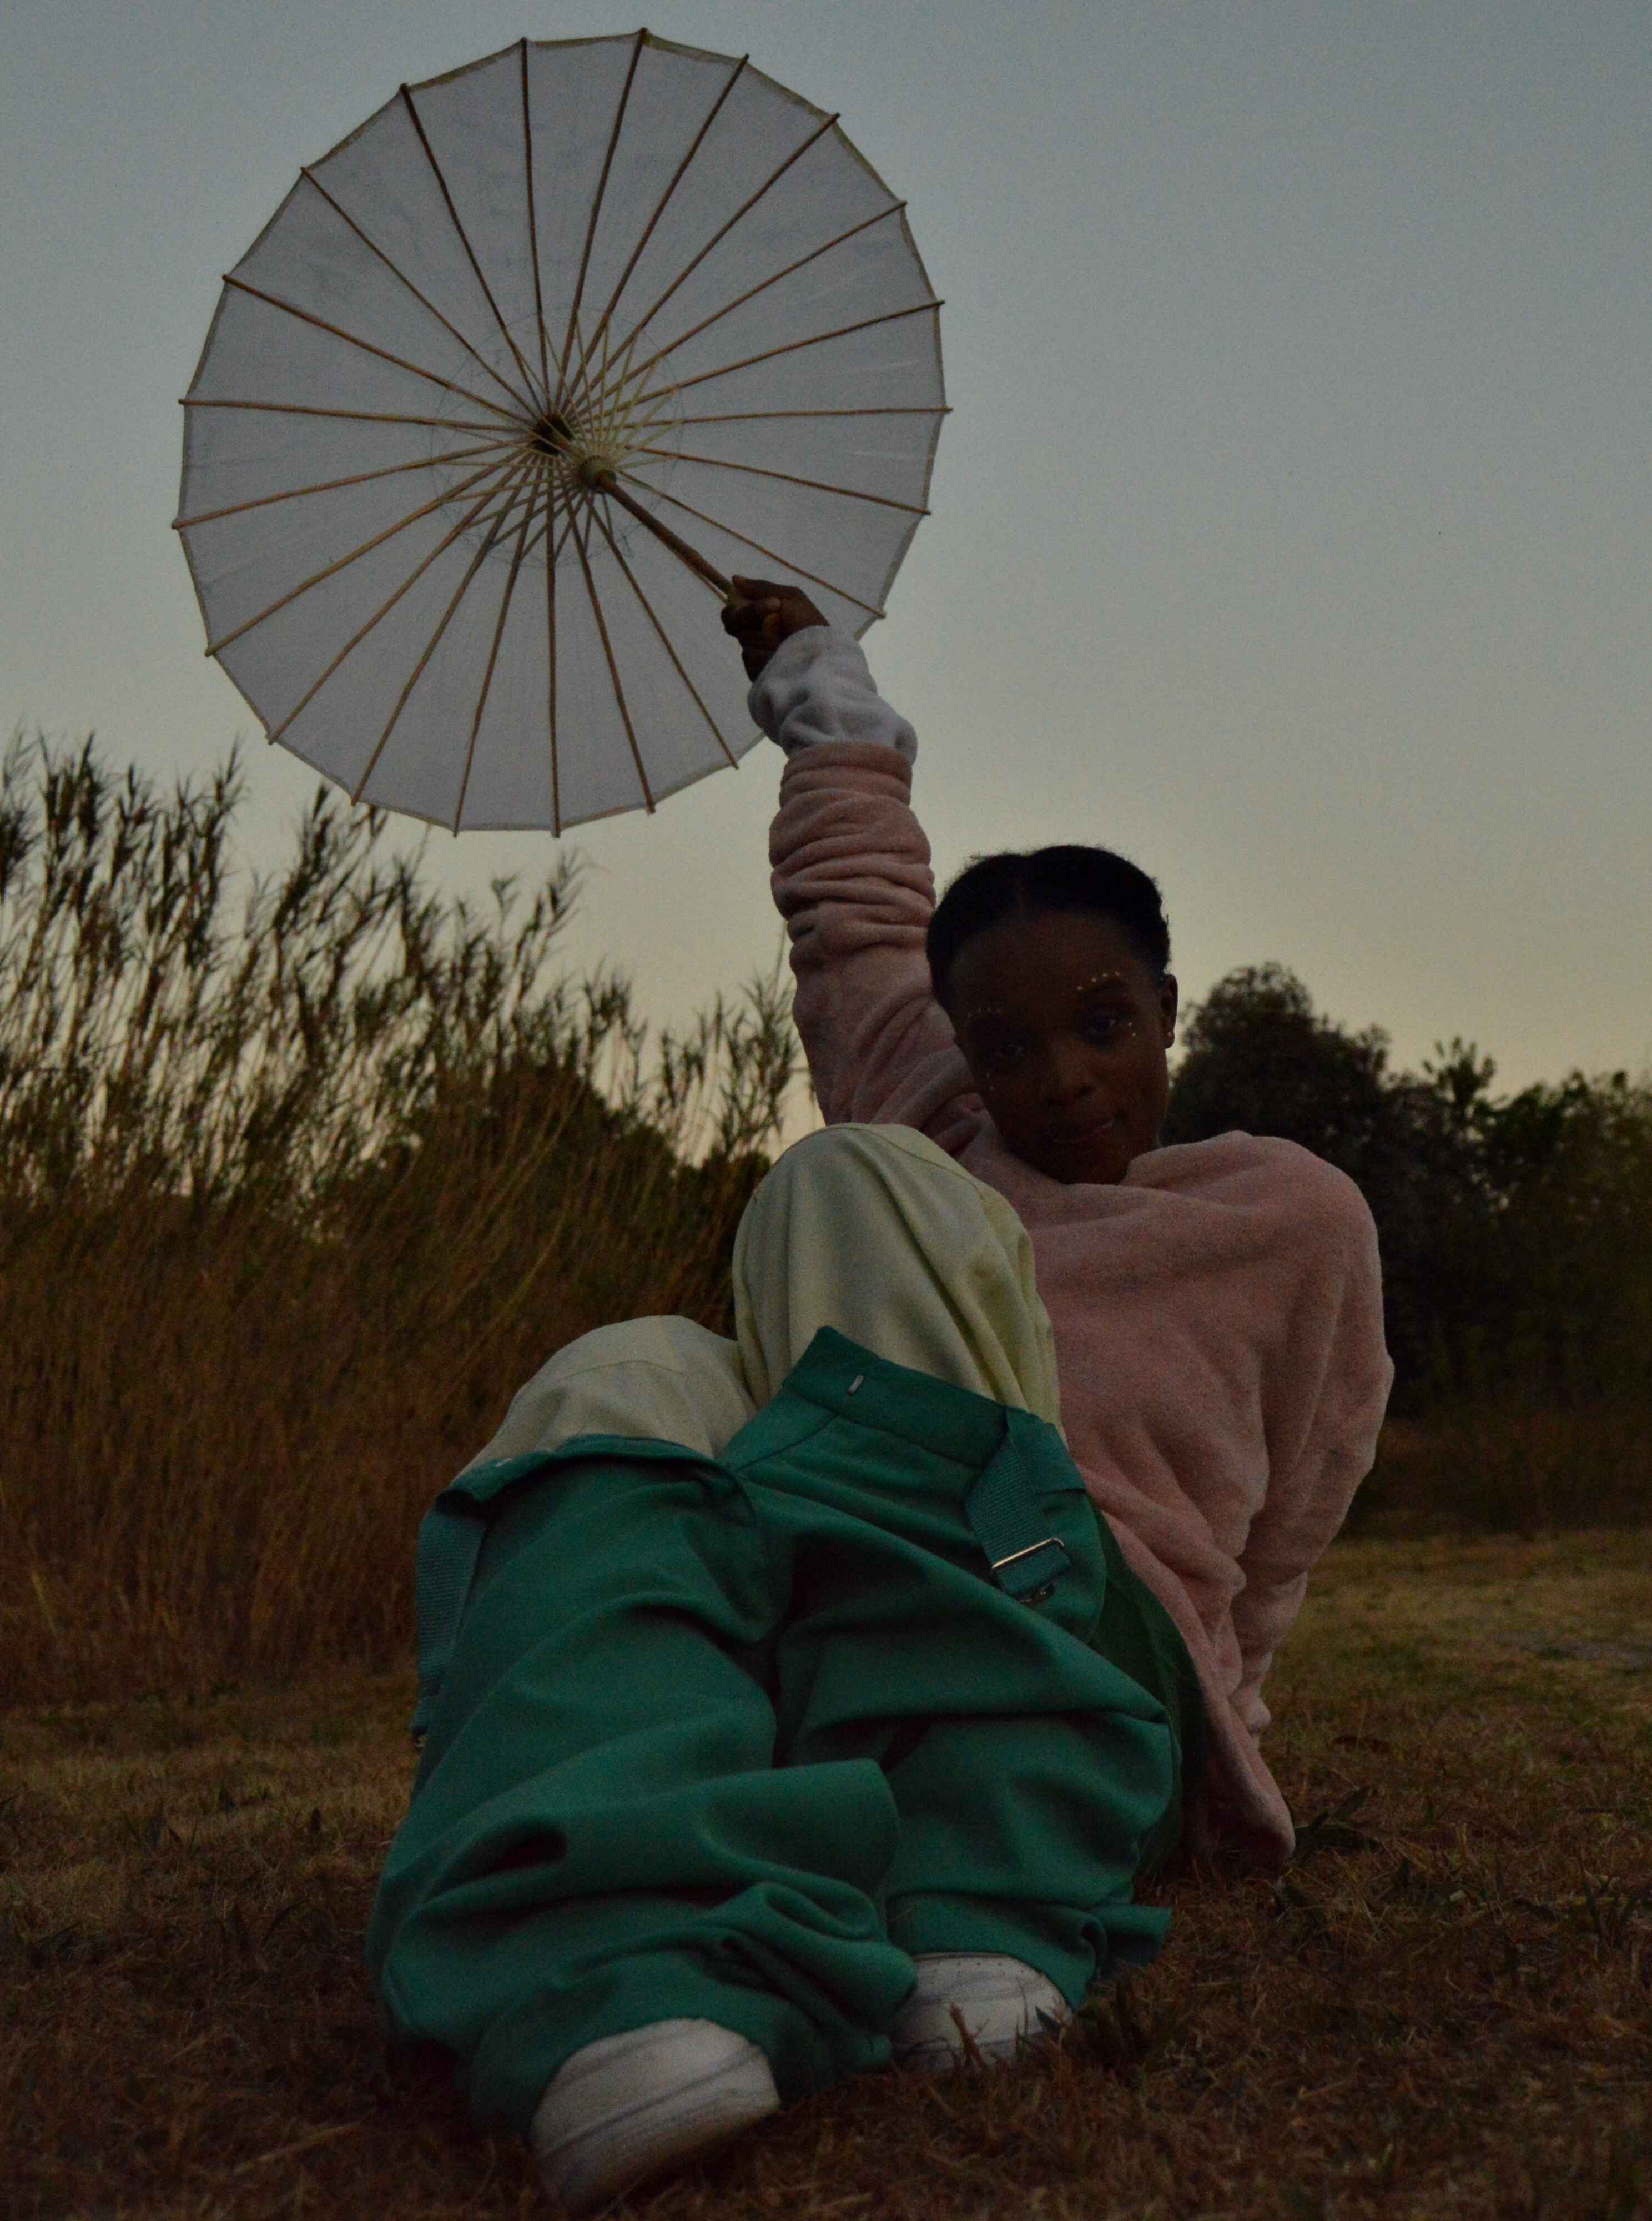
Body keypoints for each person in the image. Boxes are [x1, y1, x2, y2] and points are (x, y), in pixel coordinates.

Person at [367, 581, 1391, 2212]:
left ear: (1169, 1011)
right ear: (964, 1051)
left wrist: (1223, 1732)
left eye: (1103, 1026)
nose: (1060, 1079)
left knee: (848, 1183)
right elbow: (855, 921)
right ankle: (622, 1976)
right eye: (1007, 1048)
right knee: (620, 1374)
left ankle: (978, 1892)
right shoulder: (943, 1129)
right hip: (835, 1597)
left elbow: (1288, 1528)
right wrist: (815, 686)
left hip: (1083, 1669)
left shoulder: (1288, 1217)